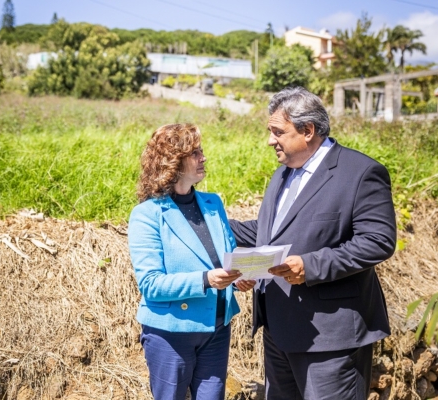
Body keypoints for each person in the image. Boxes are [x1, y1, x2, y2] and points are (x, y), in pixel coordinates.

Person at [229, 87, 397, 400]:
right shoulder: (282, 174)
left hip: (331, 337)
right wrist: (212, 225)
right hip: (279, 330)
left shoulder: (359, 173)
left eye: (278, 132)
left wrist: (311, 266)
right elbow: (270, 233)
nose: (270, 140)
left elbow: (378, 241)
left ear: (307, 131)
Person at [128, 123, 255, 400]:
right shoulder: (147, 214)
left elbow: (227, 257)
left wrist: (239, 277)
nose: (203, 158)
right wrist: (205, 280)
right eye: (195, 152)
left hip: (217, 326)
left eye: (201, 151)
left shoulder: (213, 203)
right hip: (171, 332)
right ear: (173, 161)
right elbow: (151, 285)